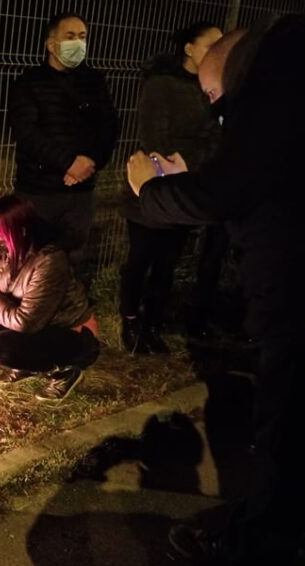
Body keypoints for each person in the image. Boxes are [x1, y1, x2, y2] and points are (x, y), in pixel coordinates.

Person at [126, 15, 305, 566]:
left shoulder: (278, 77)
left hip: (295, 300)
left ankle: (258, 550)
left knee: (286, 427)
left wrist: (152, 190)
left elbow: (229, 188)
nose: (217, 110)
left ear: (235, 65)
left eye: (212, 95)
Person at [120, 22, 223, 354]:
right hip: (151, 187)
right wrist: (181, 162)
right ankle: (130, 321)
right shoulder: (161, 84)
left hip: (184, 188)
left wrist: (189, 164)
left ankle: (153, 324)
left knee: (167, 263)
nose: (218, 52)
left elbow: (215, 139)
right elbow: (154, 138)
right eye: (210, 45)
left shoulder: (211, 87)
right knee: (141, 259)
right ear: (189, 49)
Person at [0, 194, 99, 402]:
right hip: (18, 316)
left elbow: (26, 322)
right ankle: (27, 363)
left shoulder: (49, 260)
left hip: (63, 329)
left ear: (17, 231)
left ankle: (64, 371)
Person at [9, 11, 119, 284]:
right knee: (30, 258)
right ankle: (31, 308)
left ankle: (68, 307)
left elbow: (109, 128)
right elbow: (26, 133)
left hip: (80, 190)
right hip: (38, 190)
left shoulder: (94, 82)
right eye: (70, 36)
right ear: (51, 44)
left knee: (72, 260)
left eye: (82, 37)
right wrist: (69, 163)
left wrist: (91, 162)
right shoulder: (29, 82)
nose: (78, 43)